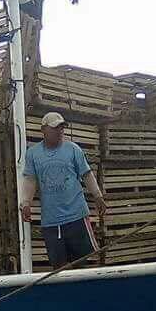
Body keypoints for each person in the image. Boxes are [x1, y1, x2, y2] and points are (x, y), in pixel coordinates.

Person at [21, 112, 106, 268]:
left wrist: (98, 196)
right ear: (43, 130)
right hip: (51, 221)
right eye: (55, 128)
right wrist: (26, 203)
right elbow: (30, 180)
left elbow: (86, 174)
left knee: (81, 262)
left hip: (76, 216)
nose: (59, 131)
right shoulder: (33, 154)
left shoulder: (73, 149)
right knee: (59, 267)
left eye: (62, 128)